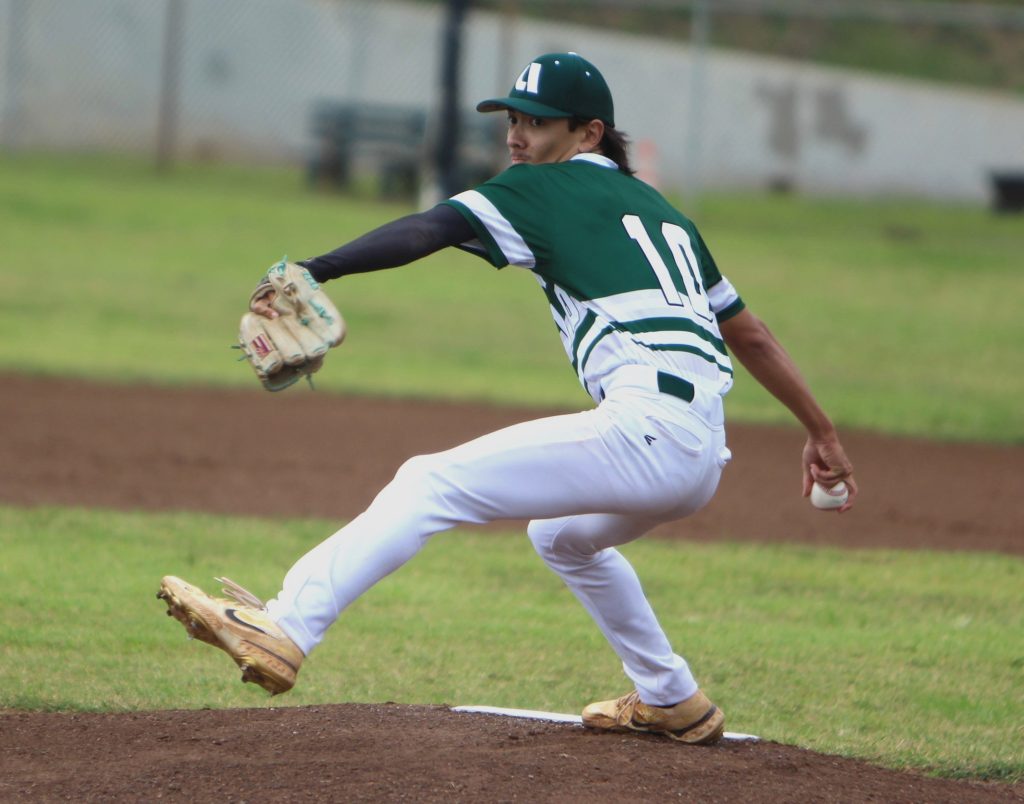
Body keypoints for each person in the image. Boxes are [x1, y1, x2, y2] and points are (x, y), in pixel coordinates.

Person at [159, 52, 857, 745]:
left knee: (429, 481)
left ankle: (287, 626)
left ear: (587, 133)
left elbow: (428, 230)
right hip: (700, 453)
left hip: (644, 428)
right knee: (561, 537)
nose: (517, 137)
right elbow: (753, 336)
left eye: (538, 123)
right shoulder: (668, 217)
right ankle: (671, 696)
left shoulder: (543, 190)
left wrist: (317, 269)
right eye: (513, 120)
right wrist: (821, 433)